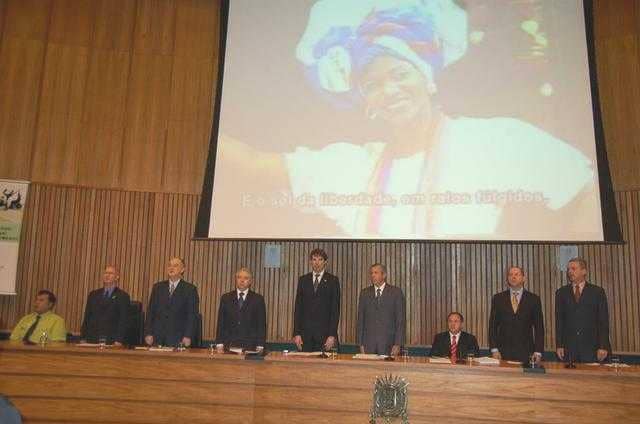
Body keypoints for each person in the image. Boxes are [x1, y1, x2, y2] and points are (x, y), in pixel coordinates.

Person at [211, 1, 600, 241]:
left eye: (400, 75)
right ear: (366, 102)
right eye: (374, 85)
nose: (390, 91)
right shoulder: (349, 165)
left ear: (428, 78)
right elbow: (250, 162)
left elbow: (584, 185)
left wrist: (574, 241)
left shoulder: (494, 140)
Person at [555, 258, 611, 363]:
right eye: (568, 269)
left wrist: (603, 345)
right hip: (569, 349)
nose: (570, 272)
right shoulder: (561, 293)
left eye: (573, 268)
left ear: (584, 271)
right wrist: (559, 345)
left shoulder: (597, 292)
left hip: (593, 348)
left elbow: (603, 321)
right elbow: (559, 321)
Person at [489, 266, 544, 363]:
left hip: (526, 352)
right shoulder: (498, 298)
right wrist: (494, 349)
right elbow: (492, 326)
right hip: (502, 352)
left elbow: (539, 327)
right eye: (510, 274)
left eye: (516, 274)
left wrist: (538, 351)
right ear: (507, 279)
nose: (513, 277)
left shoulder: (533, 299)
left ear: (523, 278)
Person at [144, 257, 199, 347]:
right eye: (169, 265)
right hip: (157, 337)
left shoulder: (190, 289)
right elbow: (151, 311)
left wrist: (188, 335)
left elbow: (192, 315)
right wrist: (148, 332)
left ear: (182, 270)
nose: (171, 268)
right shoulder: (158, 287)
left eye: (175, 266)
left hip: (179, 338)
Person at [293, 248, 341, 352]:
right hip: (305, 337)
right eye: (314, 259)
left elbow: (335, 310)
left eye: (320, 259)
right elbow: (298, 308)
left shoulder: (333, 281)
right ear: (310, 261)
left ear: (325, 262)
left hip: (325, 337)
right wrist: (296, 333)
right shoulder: (303, 280)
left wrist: (332, 335)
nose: (317, 263)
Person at [357, 264, 405, 355]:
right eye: (371, 273)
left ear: (384, 275)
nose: (373, 275)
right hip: (368, 346)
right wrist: (360, 344)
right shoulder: (364, 293)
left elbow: (400, 321)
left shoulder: (396, 293)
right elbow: (360, 320)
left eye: (376, 273)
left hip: (389, 345)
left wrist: (398, 344)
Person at [215, 268, 266, 352]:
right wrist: (219, 343)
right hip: (229, 345)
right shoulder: (226, 298)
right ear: (236, 280)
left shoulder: (258, 299)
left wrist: (260, 345)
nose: (242, 280)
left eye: (246, 278)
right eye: (239, 277)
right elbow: (221, 322)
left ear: (250, 281)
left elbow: (261, 324)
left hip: (250, 346)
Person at [80, 265, 131, 345]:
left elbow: (123, 320)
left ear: (117, 277)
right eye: (105, 273)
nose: (107, 275)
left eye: (111, 273)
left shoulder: (123, 296)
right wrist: (83, 337)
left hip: (112, 340)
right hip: (92, 338)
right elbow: (87, 316)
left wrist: (119, 340)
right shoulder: (93, 295)